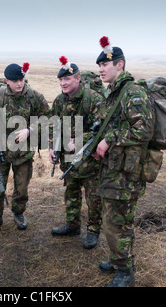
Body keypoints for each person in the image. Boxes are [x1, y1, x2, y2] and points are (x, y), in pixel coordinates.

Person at [93, 37, 154, 286]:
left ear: (120, 66)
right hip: (113, 168)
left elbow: (144, 129)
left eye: (106, 65)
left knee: (118, 221)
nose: (101, 69)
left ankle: (125, 271)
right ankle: (118, 259)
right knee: (110, 217)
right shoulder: (113, 94)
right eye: (99, 65)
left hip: (126, 174)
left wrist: (110, 140)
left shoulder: (133, 93)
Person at [0, 63, 50, 230]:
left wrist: (30, 130)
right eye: (15, 81)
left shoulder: (34, 96)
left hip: (24, 152)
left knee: (22, 186)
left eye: (22, 80)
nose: (19, 84)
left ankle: (18, 213)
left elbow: (47, 117)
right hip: (1, 150)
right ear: (7, 80)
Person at [49, 56, 104, 249]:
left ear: (78, 78)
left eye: (67, 79)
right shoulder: (59, 101)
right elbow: (53, 125)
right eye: (61, 80)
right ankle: (72, 225)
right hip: (68, 158)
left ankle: (93, 231)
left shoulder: (93, 98)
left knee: (93, 196)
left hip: (90, 159)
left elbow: (104, 128)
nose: (63, 83)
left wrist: (78, 139)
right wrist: (51, 146)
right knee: (71, 192)